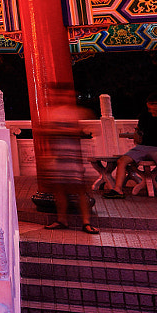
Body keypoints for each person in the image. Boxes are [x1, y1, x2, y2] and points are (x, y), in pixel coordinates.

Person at [34, 82, 97, 234]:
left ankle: (86, 222)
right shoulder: (50, 112)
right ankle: (62, 220)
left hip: (73, 157)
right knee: (59, 190)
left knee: (80, 190)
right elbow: (41, 131)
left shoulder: (75, 112)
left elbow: (85, 129)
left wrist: (58, 130)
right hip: (57, 157)